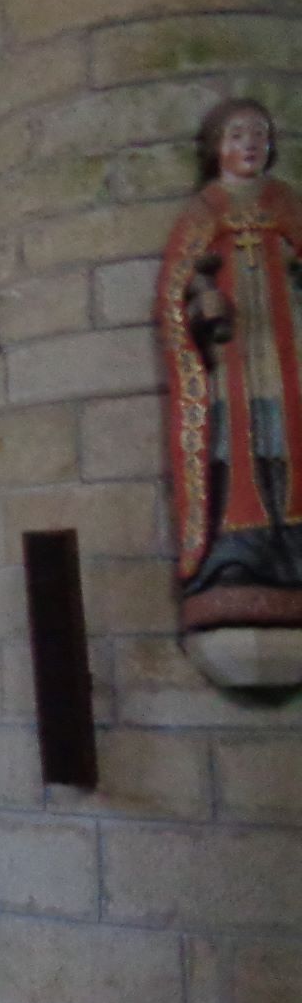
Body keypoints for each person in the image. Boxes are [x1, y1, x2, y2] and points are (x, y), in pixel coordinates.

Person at [159, 98, 302, 618]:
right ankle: (236, 550)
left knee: (290, 435)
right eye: (238, 136)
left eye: (260, 136)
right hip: (234, 360)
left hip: (287, 352)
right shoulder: (205, 210)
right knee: (237, 439)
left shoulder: (286, 201)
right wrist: (201, 307)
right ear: (217, 147)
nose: (250, 146)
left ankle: (292, 547)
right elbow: (176, 292)